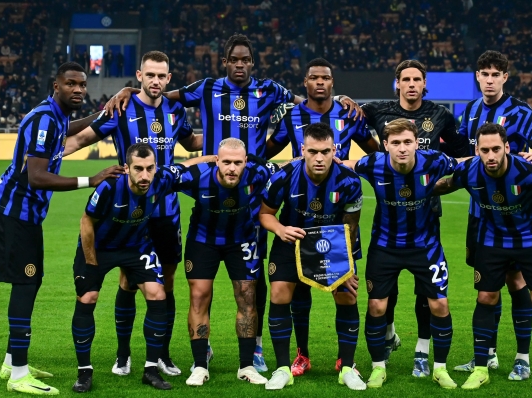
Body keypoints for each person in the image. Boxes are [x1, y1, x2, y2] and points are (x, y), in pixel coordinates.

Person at [104, 34, 363, 373]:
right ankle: (203, 348)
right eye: (234, 60)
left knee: (253, 283)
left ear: (252, 63)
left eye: (246, 60)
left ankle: (254, 349)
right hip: (211, 186)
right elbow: (162, 94)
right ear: (224, 61)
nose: (240, 65)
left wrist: (340, 96)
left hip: (252, 196)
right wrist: (128, 91)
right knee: (200, 285)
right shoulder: (207, 87)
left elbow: (308, 99)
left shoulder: (269, 90)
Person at [0, 62, 123, 396]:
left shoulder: (56, 115)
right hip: (14, 213)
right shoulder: (45, 119)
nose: (78, 89)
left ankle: (11, 360)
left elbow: (71, 127)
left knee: (31, 282)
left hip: (25, 215)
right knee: (25, 282)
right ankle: (18, 374)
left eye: (82, 84)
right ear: (56, 85)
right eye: (71, 84)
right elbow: (36, 175)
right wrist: (89, 180)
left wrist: (105, 111)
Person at [64, 51, 200, 378]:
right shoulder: (122, 108)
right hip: (130, 211)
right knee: (127, 281)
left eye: (161, 76)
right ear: (139, 76)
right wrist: (42, 157)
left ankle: (162, 354)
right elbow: (81, 139)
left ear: (168, 79)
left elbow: (192, 142)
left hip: (165, 211)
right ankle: (123, 354)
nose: (155, 81)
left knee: (165, 284)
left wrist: (233, 141)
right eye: (149, 75)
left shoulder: (175, 110)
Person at [265, 57, 379, 377]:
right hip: (298, 217)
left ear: (332, 83)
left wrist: (358, 167)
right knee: (296, 294)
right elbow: (267, 150)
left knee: (347, 292)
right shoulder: (292, 117)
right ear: (305, 82)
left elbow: (374, 151)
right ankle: (300, 356)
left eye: (325, 78)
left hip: (335, 224)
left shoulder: (349, 113)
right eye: (313, 77)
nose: (319, 82)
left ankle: (347, 360)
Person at [435, 123, 532, 393]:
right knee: (486, 298)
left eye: (496, 149)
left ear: (507, 147)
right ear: (477, 150)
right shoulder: (469, 170)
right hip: (491, 241)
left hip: (531, 240)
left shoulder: (528, 171)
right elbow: (448, 184)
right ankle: (481, 368)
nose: (491, 155)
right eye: (485, 150)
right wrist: (419, 187)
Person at [360, 59, 469, 375]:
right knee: (385, 293)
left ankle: (423, 350)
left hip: (427, 211)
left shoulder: (440, 115)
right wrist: (345, 102)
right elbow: (348, 124)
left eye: (416, 79)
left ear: (424, 84)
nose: (410, 84)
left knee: (427, 292)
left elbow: (461, 150)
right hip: (389, 214)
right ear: (397, 83)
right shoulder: (379, 111)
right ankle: (387, 335)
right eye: (405, 79)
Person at [454, 50, 532, 379]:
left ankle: (523, 357)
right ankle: (489, 355)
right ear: (477, 76)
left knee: (518, 284)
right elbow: (459, 152)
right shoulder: (468, 112)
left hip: (517, 218)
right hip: (481, 216)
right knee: (488, 288)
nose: (488, 79)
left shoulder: (521, 112)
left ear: (504, 78)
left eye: (495, 74)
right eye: (483, 73)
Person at [339, 118, 463, 389]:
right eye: (395, 143)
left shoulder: (434, 161)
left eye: (408, 142)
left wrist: (503, 155)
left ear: (417, 143)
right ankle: (377, 368)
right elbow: (345, 164)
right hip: (385, 247)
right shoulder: (373, 163)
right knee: (377, 305)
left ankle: (439, 368)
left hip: (426, 247)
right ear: (386, 145)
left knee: (439, 304)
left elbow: (466, 164)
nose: (402, 148)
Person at [70, 143, 195, 392]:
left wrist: (214, 157)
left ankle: (150, 370)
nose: (145, 175)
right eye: (138, 169)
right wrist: (91, 261)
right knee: (88, 297)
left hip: (136, 246)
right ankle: (84, 372)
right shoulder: (110, 186)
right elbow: (87, 221)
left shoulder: (161, 180)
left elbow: (186, 165)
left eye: (150, 168)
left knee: (158, 293)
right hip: (100, 247)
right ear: (127, 168)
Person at [259, 122, 366, 391]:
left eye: (325, 152)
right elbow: (265, 214)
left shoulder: (349, 181)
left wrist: (349, 266)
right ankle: (284, 367)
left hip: (332, 243)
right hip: (292, 240)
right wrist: (281, 229)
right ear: (303, 150)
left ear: (334, 150)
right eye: (314, 152)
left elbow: (351, 226)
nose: (319, 158)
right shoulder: (283, 176)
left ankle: (347, 366)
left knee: (347, 294)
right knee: (280, 293)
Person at [179, 138, 280, 387]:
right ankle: (200, 365)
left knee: (247, 297)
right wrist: (201, 159)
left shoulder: (259, 173)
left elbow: (291, 167)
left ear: (246, 161)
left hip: (241, 240)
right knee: (199, 296)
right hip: (203, 241)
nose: (232, 168)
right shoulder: (196, 176)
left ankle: (246, 365)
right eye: (226, 162)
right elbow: (166, 174)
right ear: (216, 161)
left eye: (237, 162)